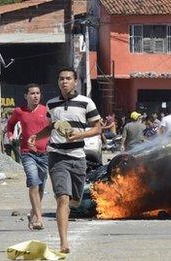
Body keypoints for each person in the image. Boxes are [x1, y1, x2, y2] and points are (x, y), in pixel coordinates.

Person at [29, 67, 101, 253]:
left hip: (78, 157)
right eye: (61, 78)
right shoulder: (51, 105)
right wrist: (36, 137)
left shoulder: (86, 103)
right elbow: (51, 127)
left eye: (68, 78)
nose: (64, 81)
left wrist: (78, 136)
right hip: (57, 156)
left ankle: (71, 206)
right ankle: (64, 243)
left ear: (75, 81)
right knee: (62, 198)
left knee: (74, 201)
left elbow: (97, 128)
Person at [7, 83, 49, 230]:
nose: (36, 96)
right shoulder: (19, 111)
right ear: (26, 96)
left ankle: (33, 214)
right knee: (33, 183)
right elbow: (10, 125)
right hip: (27, 153)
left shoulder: (46, 110)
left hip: (44, 153)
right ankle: (39, 218)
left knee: (41, 186)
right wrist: (11, 136)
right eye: (32, 93)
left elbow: (53, 128)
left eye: (38, 93)